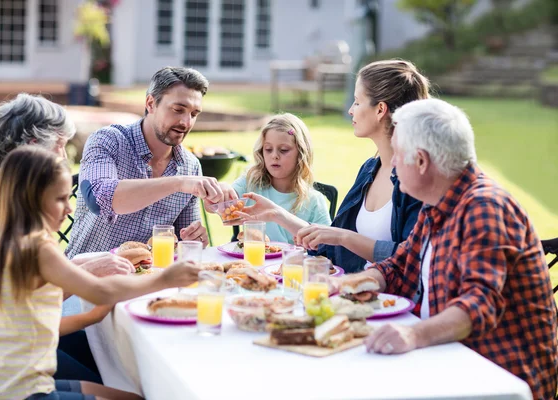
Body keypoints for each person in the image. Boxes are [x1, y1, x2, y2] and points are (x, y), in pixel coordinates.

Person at [355, 98, 556, 400]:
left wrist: (412, 333)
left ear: (421, 161)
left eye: (397, 154)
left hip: (495, 377)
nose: (392, 163)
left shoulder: (484, 208)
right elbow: (397, 267)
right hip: (445, 359)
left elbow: (479, 304)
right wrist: (345, 284)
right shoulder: (437, 202)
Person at [0, 146, 201, 400]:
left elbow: (36, 325)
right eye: (60, 199)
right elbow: (100, 291)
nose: (69, 209)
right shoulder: (37, 249)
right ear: (30, 198)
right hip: (23, 393)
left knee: (130, 396)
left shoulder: (2, 242)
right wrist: (167, 278)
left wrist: (92, 317)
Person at [0, 93, 134, 383]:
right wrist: (84, 273)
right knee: (110, 370)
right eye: (60, 145)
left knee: (108, 354)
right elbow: (19, 299)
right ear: (32, 147)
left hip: (4, 334)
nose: (64, 157)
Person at [239, 60, 428, 272]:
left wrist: (346, 238)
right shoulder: (369, 170)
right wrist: (277, 214)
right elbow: (332, 244)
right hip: (354, 291)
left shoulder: (417, 179)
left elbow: (415, 257)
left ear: (380, 109)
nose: (350, 110)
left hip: (393, 300)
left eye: (357, 102)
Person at [66, 66, 227, 258]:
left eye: (194, 114)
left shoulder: (190, 166)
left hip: (147, 281)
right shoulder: (108, 140)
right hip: (85, 277)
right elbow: (99, 201)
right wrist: (178, 183)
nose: (186, 122)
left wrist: (194, 240)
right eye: (178, 110)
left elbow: (183, 245)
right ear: (151, 103)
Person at [227, 113, 331, 243]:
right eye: (268, 149)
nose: (274, 156)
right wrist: (220, 191)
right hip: (254, 262)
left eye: (283, 150)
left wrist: (279, 216)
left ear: (301, 154)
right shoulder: (250, 183)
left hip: (294, 263)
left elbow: (328, 246)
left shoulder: (314, 201)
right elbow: (223, 202)